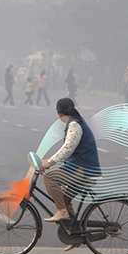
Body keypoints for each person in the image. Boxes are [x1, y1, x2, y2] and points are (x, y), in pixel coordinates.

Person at [40, 97, 101, 232]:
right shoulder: (75, 121)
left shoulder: (74, 125)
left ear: (59, 113)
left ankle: (61, 211)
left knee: (49, 177)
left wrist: (49, 163)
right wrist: (48, 161)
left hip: (83, 169)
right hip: (80, 167)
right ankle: (74, 234)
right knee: (65, 199)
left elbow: (68, 149)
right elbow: (67, 151)